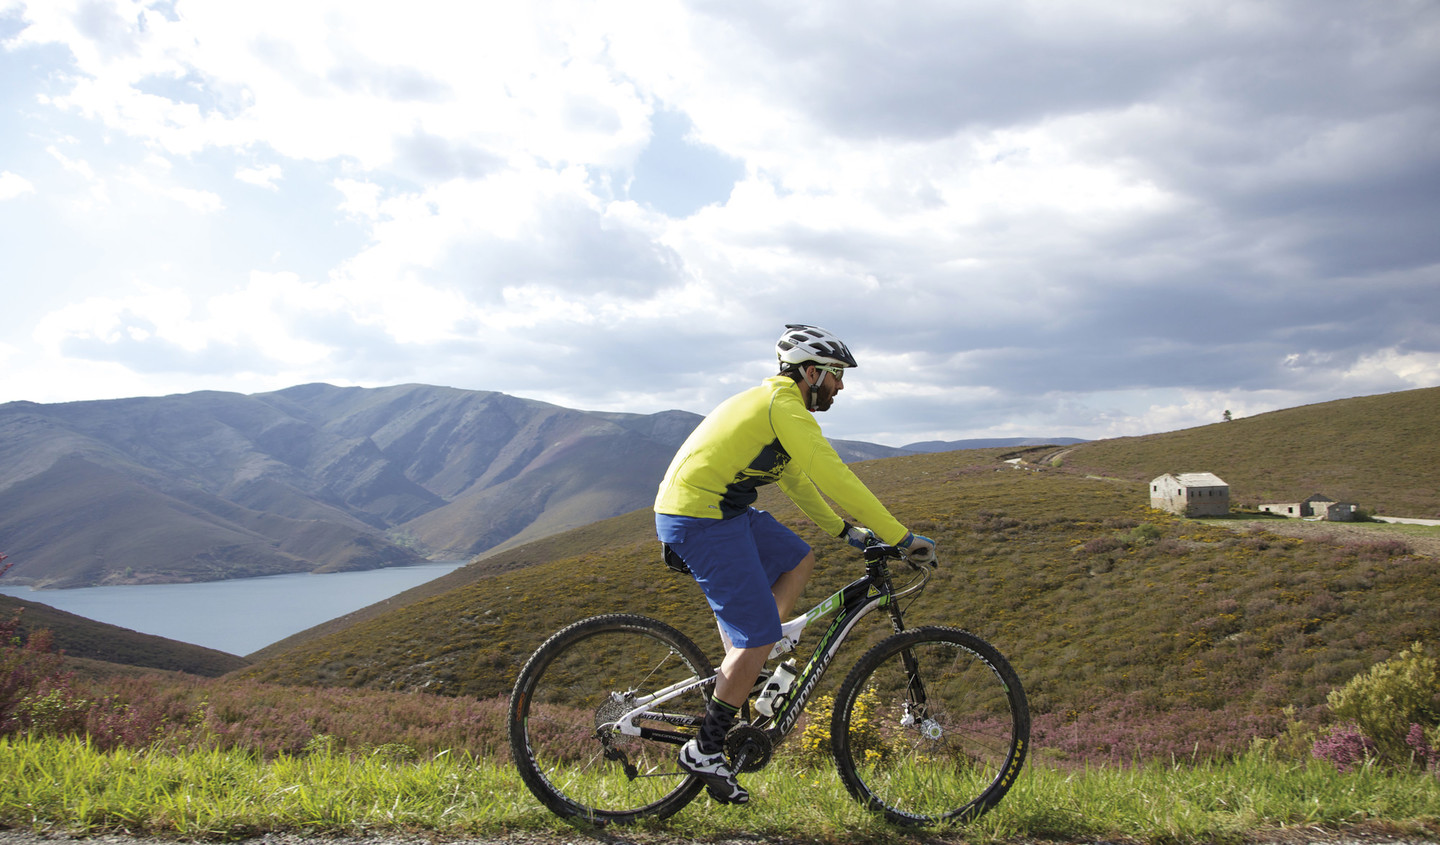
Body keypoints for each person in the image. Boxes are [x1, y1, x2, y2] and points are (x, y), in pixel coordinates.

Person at [653, 324, 935, 805]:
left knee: (797, 558)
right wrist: (901, 537)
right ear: (811, 372)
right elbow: (833, 475)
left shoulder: (778, 409)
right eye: (836, 376)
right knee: (757, 635)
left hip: (723, 509)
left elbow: (799, 481)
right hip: (698, 517)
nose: (840, 387)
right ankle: (706, 747)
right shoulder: (781, 406)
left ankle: (756, 655)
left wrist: (844, 531)